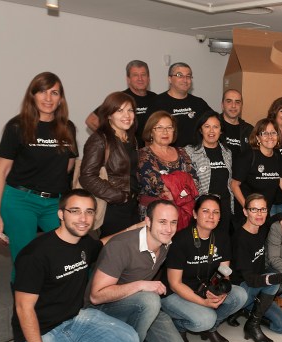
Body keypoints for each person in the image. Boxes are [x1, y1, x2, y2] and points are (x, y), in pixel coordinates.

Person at [0, 189, 139, 342]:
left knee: (129, 341)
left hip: (75, 319)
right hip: (42, 331)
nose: (83, 218)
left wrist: (134, 228)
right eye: (75, 211)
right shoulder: (35, 255)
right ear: (61, 214)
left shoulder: (84, 242)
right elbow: (23, 308)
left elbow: (102, 244)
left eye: (89, 212)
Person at [0, 72, 77, 284]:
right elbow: (1, 171)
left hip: (55, 202)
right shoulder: (17, 126)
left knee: (69, 252)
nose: (48, 98)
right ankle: (21, 305)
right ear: (32, 96)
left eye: (54, 93)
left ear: (61, 98)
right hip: (20, 201)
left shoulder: (68, 127)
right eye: (42, 92)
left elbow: (69, 164)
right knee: (25, 260)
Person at [89, 200, 186, 342]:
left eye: (173, 222)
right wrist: (141, 285)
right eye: (162, 222)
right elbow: (96, 296)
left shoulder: (165, 243)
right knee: (150, 300)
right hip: (104, 307)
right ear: (148, 221)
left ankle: (135, 328)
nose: (169, 229)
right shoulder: (121, 245)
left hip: (136, 303)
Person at [162, 194, 247, 342]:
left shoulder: (222, 238)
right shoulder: (180, 240)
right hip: (177, 293)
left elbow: (224, 272)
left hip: (206, 288)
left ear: (220, 217)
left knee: (240, 295)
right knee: (205, 319)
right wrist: (203, 302)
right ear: (195, 214)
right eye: (205, 211)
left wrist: (221, 292)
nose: (211, 216)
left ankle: (211, 327)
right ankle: (180, 325)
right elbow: (175, 284)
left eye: (216, 212)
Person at [231, 194, 282, 342]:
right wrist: (277, 278)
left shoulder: (261, 226)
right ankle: (252, 324)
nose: (259, 214)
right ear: (245, 212)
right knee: (274, 280)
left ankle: (251, 313)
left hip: (258, 287)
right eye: (254, 209)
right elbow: (250, 280)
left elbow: (274, 218)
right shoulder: (240, 239)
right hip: (243, 289)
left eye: (263, 209)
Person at [80, 92, 140, 236]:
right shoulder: (99, 139)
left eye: (130, 110)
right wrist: (119, 197)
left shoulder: (131, 138)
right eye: (120, 110)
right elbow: (87, 177)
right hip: (112, 207)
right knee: (114, 248)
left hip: (133, 206)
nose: (127, 115)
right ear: (108, 115)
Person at [137, 111, 199, 227]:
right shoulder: (143, 155)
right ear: (151, 131)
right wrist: (182, 184)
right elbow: (155, 184)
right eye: (159, 128)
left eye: (169, 128)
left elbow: (194, 181)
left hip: (183, 214)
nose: (165, 132)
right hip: (154, 215)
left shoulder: (182, 152)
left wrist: (173, 187)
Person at [231, 118, 282, 222]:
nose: (270, 136)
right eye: (265, 133)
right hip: (245, 215)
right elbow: (234, 185)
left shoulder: (278, 156)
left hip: (264, 213)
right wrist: (247, 209)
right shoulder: (248, 156)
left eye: (273, 133)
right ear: (257, 138)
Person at [85, 60, 157, 147]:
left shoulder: (156, 98)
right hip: (126, 152)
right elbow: (91, 120)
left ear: (148, 78)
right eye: (135, 75)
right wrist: (113, 141)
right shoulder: (121, 98)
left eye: (143, 74)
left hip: (150, 152)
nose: (140, 78)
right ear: (128, 79)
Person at [185, 111, 233, 234]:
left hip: (223, 208)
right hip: (202, 209)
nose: (211, 131)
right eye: (207, 126)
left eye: (215, 127)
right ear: (200, 130)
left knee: (222, 242)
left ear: (221, 130)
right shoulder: (190, 152)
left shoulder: (227, 153)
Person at [149, 62, 212, 146]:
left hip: (196, 152)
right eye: (179, 75)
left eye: (188, 76)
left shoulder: (199, 103)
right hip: (167, 152)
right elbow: (148, 135)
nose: (185, 80)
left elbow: (215, 124)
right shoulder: (157, 103)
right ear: (170, 79)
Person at [219, 89, 253, 157]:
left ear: (241, 106)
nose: (233, 105)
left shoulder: (250, 130)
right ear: (222, 105)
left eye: (237, 102)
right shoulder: (213, 127)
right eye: (229, 101)